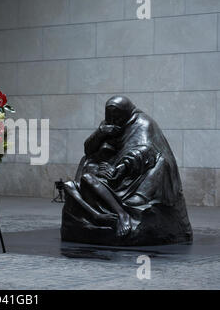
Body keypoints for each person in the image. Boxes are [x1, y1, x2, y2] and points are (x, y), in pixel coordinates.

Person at [61, 96, 192, 246]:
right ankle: (98, 210)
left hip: (132, 174)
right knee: (85, 166)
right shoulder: (108, 125)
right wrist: (100, 133)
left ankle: (120, 211)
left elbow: (145, 151)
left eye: (116, 115)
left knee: (88, 178)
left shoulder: (143, 124)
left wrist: (118, 169)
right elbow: (89, 150)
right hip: (108, 169)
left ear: (126, 113)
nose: (112, 119)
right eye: (109, 115)